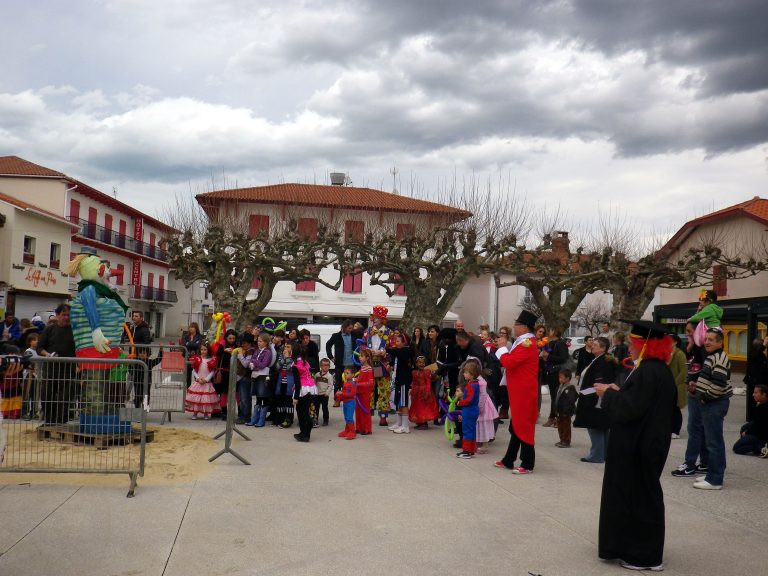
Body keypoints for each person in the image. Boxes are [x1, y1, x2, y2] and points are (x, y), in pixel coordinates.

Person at [594, 320, 677, 572]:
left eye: (634, 344)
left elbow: (629, 409)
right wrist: (619, 391)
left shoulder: (648, 371)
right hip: (646, 442)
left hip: (640, 446)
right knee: (638, 495)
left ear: (645, 347)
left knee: (640, 497)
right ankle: (628, 546)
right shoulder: (656, 370)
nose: (630, 348)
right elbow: (640, 402)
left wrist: (607, 394)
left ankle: (644, 555)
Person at [680, 327, 732, 490]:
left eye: (711, 339)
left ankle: (715, 479)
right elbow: (711, 380)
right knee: (712, 440)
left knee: (714, 442)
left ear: (720, 342)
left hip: (714, 404)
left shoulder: (720, 358)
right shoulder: (713, 356)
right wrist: (697, 386)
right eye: (706, 339)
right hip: (711, 403)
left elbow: (718, 385)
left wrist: (704, 397)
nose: (707, 342)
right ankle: (713, 474)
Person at [495, 310, 539, 475]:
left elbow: (510, 362)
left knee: (524, 426)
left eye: (517, 324)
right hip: (520, 390)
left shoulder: (527, 343)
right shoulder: (523, 342)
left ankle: (528, 463)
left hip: (524, 392)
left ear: (524, 327)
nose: (514, 327)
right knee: (516, 426)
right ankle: (509, 459)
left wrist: (501, 348)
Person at [573, 336, 616, 464]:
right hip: (597, 398)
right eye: (593, 343)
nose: (592, 345)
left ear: (603, 348)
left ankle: (596, 455)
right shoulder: (598, 359)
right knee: (602, 427)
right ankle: (604, 453)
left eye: (595, 344)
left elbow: (599, 382)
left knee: (595, 426)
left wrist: (589, 396)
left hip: (596, 399)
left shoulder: (602, 362)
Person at [37, 304, 76, 424]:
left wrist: (79, 365)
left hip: (67, 369)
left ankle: (61, 422)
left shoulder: (74, 330)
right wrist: (48, 355)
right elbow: (40, 347)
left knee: (64, 397)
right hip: (51, 368)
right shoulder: (50, 329)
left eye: (68, 315)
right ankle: (49, 421)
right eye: (63, 315)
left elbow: (79, 349)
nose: (66, 317)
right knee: (47, 395)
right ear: (57, 315)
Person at [363, 305, 392, 427]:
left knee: (383, 390)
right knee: (368, 389)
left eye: (376, 317)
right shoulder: (367, 331)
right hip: (370, 364)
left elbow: (394, 349)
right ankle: (366, 414)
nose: (373, 319)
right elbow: (362, 347)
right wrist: (368, 351)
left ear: (382, 319)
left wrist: (383, 352)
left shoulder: (390, 332)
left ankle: (383, 416)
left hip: (382, 365)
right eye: (373, 317)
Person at [541, 328, 569, 427]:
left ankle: (556, 418)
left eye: (551, 330)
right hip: (550, 372)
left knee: (556, 396)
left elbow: (563, 358)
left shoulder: (560, 343)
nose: (549, 332)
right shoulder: (550, 343)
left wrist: (548, 356)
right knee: (554, 396)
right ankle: (553, 417)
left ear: (555, 332)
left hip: (557, 372)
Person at [326, 320, 359, 403]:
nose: (351, 330)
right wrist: (331, 357)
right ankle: (337, 400)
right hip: (340, 364)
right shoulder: (336, 336)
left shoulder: (354, 335)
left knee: (351, 383)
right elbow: (328, 345)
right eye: (349, 328)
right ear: (344, 327)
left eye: (352, 328)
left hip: (352, 364)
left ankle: (350, 399)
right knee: (338, 382)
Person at [126, 310, 153, 408]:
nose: (134, 318)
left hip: (140, 360)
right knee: (134, 383)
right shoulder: (133, 328)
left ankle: (146, 409)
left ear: (141, 318)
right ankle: (136, 405)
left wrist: (141, 352)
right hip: (133, 359)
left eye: (136, 316)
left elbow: (146, 343)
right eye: (133, 316)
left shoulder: (144, 329)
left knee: (145, 390)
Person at [185, 343, 219, 420]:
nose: (203, 351)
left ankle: (205, 413)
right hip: (198, 382)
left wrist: (206, 379)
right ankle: (195, 413)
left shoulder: (212, 359)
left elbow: (212, 371)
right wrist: (198, 378)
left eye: (205, 349)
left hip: (206, 383)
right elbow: (194, 370)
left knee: (206, 399)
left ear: (208, 350)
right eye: (202, 349)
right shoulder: (197, 358)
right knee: (196, 399)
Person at [733, 384, 768, 456]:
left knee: (737, 448)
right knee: (744, 427)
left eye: (756, 393)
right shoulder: (761, 404)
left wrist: (747, 432)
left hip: (762, 435)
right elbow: (756, 422)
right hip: (759, 431)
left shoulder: (764, 409)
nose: (753, 395)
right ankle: (754, 443)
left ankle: (761, 448)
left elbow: (760, 428)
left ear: (764, 395)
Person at [246, 333, 273, 427]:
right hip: (255, 375)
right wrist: (253, 364)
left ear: (265, 342)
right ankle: (254, 419)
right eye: (258, 341)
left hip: (263, 376)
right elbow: (251, 363)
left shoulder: (268, 352)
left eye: (260, 341)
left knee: (263, 397)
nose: (258, 343)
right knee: (258, 397)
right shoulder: (257, 351)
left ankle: (261, 420)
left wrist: (254, 362)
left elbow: (263, 365)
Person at [388, 332, 413, 434]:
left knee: (404, 402)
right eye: (395, 341)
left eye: (398, 341)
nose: (396, 343)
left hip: (404, 380)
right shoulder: (399, 351)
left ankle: (405, 426)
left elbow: (395, 351)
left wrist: (383, 350)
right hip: (397, 379)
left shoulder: (406, 350)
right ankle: (399, 423)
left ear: (404, 342)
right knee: (398, 401)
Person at [456, 361, 481, 458]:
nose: (464, 374)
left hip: (469, 410)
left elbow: (468, 400)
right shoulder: (476, 384)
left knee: (467, 430)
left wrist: (460, 402)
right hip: (474, 409)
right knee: (472, 430)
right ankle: (471, 449)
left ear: (472, 374)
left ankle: (466, 450)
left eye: (466, 372)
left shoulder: (470, 385)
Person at [293, 349, 317, 442]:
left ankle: (305, 434)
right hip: (310, 387)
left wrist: (295, 397)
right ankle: (304, 433)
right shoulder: (305, 362)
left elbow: (297, 382)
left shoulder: (295, 365)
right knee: (305, 411)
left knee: (301, 412)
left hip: (302, 389)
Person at [475, 360, 499, 454]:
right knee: (479, 425)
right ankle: (478, 442)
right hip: (479, 404)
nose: (464, 374)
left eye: (466, 372)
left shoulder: (480, 382)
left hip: (483, 406)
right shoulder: (476, 380)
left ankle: (485, 445)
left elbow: (483, 395)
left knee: (483, 424)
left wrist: (480, 407)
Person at [409, 356, 438, 429]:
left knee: (424, 407)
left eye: (423, 363)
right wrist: (412, 390)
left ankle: (424, 423)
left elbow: (428, 382)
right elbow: (414, 382)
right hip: (416, 392)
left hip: (424, 391)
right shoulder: (414, 372)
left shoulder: (427, 372)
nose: (421, 364)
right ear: (416, 364)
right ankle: (419, 422)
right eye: (419, 362)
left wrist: (427, 391)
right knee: (417, 407)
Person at [273, 342, 298, 428]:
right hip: (281, 382)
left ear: (292, 349)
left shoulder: (295, 358)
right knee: (280, 401)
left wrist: (287, 358)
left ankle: (288, 420)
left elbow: (290, 368)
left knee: (288, 402)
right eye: (285, 347)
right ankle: (280, 418)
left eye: (288, 347)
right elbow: (277, 367)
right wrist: (284, 358)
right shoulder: (280, 357)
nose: (286, 349)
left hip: (290, 383)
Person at [214, 329, 238, 418]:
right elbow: (217, 353)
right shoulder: (222, 345)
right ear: (226, 338)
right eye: (230, 338)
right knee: (224, 393)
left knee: (236, 393)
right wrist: (224, 350)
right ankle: (224, 412)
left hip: (235, 372)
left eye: (233, 338)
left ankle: (237, 411)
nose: (232, 340)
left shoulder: (237, 345)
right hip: (224, 372)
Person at [669, 334, 688, 439]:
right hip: (669, 386)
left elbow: (684, 371)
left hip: (677, 386)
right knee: (669, 409)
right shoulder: (667, 353)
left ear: (675, 342)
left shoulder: (680, 354)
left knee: (676, 409)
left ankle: (676, 431)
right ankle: (670, 428)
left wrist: (674, 383)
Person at [744, 337, 768, 422]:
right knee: (753, 400)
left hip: (760, 380)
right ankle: (752, 417)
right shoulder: (753, 354)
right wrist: (764, 345)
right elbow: (756, 355)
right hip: (754, 381)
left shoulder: (761, 355)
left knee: (760, 399)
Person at [234, 333, 255, 424]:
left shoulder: (251, 351)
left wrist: (240, 355)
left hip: (246, 378)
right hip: (241, 377)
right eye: (241, 343)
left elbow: (246, 364)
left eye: (244, 343)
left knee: (245, 399)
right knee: (242, 399)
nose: (242, 345)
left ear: (250, 343)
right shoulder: (245, 350)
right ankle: (243, 415)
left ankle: (246, 417)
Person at [554, 368, 577, 448]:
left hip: (565, 412)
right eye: (559, 377)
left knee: (566, 426)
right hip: (559, 411)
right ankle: (562, 439)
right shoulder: (560, 387)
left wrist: (567, 411)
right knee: (560, 426)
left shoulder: (570, 388)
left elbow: (571, 400)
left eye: (561, 378)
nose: (559, 379)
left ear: (567, 378)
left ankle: (566, 441)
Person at [355, 348, 375, 436]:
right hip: (359, 392)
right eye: (359, 356)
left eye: (362, 356)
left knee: (365, 411)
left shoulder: (369, 369)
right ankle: (359, 427)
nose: (360, 357)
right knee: (358, 410)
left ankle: (366, 429)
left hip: (365, 393)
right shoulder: (363, 367)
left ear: (367, 358)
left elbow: (370, 383)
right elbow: (360, 379)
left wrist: (358, 384)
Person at [336, 366, 357, 440]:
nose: (345, 374)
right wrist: (340, 397)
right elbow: (345, 393)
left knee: (349, 417)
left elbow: (351, 394)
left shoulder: (353, 384)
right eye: (345, 373)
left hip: (351, 402)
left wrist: (341, 394)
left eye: (347, 373)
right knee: (346, 417)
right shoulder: (346, 383)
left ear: (353, 374)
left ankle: (352, 432)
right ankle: (347, 430)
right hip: (346, 402)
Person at [22, 333, 40, 420]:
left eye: (37, 339)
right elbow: (28, 363)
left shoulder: (38, 351)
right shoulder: (28, 351)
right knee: (27, 395)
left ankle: (34, 412)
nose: (37, 341)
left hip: (36, 376)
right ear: (30, 342)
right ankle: (24, 412)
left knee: (35, 395)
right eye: (34, 339)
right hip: (29, 376)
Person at [313, 358, 333, 426]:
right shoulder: (317, 375)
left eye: (327, 365)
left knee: (325, 408)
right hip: (317, 394)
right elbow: (314, 383)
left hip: (324, 395)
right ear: (320, 366)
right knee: (316, 408)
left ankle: (326, 420)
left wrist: (327, 393)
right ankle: (315, 419)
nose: (325, 367)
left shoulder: (329, 376)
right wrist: (314, 392)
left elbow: (330, 386)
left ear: (329, 366)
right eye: (323, 365)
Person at [182, 323, 202, 388]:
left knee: (197, 373)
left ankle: (197, 387)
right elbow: (184, 344)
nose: (191, 328)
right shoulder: (186, 336)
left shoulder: (199, 336)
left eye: (193, 327)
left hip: (196, 357)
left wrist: (189, 343)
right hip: (187, 357)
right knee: (188, 373)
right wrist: (193, 343)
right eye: (190, 327)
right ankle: (188, 388)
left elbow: (197, 345)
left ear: (196, 328)